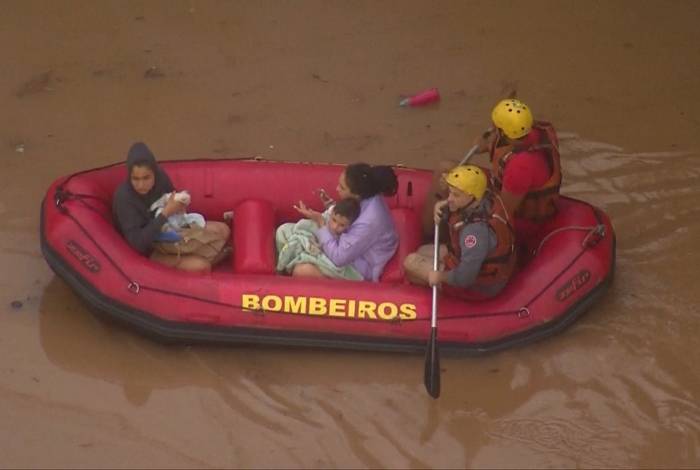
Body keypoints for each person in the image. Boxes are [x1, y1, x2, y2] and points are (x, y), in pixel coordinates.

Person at [422, 99, 561, 259]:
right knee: (444, 168)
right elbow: (511, 147)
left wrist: (457, 185)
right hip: (505, 190)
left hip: (521, 218)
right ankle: (429, 235)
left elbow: (502, 211)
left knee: (457, 189)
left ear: (503, 132)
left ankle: (440, 243)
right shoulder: (530, 131)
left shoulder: (520, 167)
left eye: (496, 128)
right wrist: (487, 146)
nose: (492, 130)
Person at [112, 142, 231, 273]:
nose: (141, 185)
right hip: (151, 249)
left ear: (154, 173)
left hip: (172, 230)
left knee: (223, 230)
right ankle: (204, 259)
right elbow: (138, 244)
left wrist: (180, 206)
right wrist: (166, 213)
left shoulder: (161, 177)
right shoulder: (124, 198)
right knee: (202, 266)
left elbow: (174, 200)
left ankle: (197, 256)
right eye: (135, 179)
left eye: (146, 178)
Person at [405, 165, 516, 299]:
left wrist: (440, 276)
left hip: (480, 286)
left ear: (471, 196)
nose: (450, 198)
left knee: (410, 262)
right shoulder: (485, 198)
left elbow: (465, 278)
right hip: (476, 263)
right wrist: (442, 205)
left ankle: (430, 295)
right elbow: (457, 206)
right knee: (423, 250)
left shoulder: (474, 234)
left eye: (456, 195)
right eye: (450, 192)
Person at [290, 163, 399, 282]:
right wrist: (330, 206)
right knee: (289, 231)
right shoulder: (366, 196)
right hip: (348, 248)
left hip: (360, 268)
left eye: (342, 187)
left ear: (356, 194)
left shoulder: (369, 221)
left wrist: (321, 223)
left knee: (301, 271)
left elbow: (339, 257)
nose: (337, 189)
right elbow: (347, 219)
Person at [276, 197, 363, 280]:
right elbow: (314, 225)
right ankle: (284, 264)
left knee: (301, 267)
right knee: (283, 230)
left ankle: (284, 269)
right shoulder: (327, 216)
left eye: (342, 225)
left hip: (326, 259)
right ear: (332, 214)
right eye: (334, 220)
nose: (335, 226)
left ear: (350, 225)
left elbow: (336, 256)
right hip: (313, 242)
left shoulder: (348, 236)